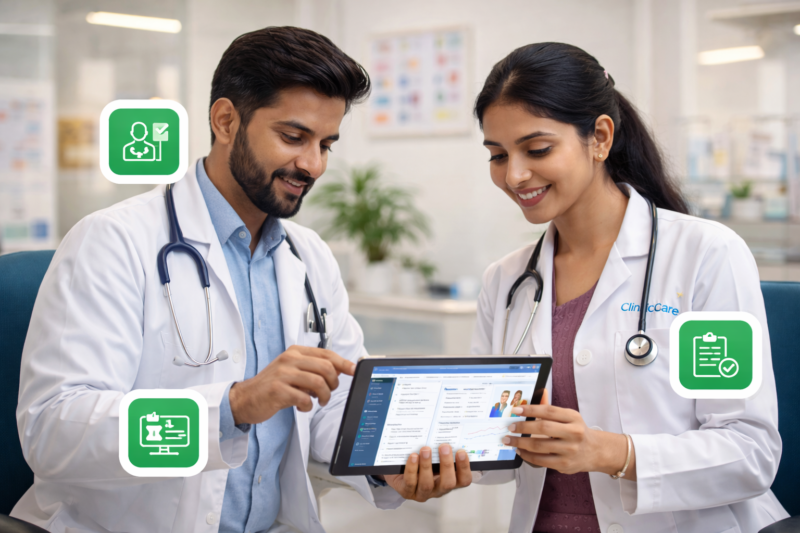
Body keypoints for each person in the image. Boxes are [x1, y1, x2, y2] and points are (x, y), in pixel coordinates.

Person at [13, 26, 470, 533]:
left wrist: (386, 466)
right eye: (293, 137)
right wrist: (231, 406)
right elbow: (53, 429)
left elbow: (331, 405)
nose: (312, 164)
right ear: (226, 120)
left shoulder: (309, 258)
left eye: (326, 144)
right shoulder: (114, 242)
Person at [470, 42, 787, 532]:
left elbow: (748, 450)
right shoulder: (508, 281)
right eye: (497, 155)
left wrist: (610, 451)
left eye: (537, 150)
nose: (514, 175)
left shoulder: (704, 256)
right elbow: (488, 440)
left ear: (599, 137)